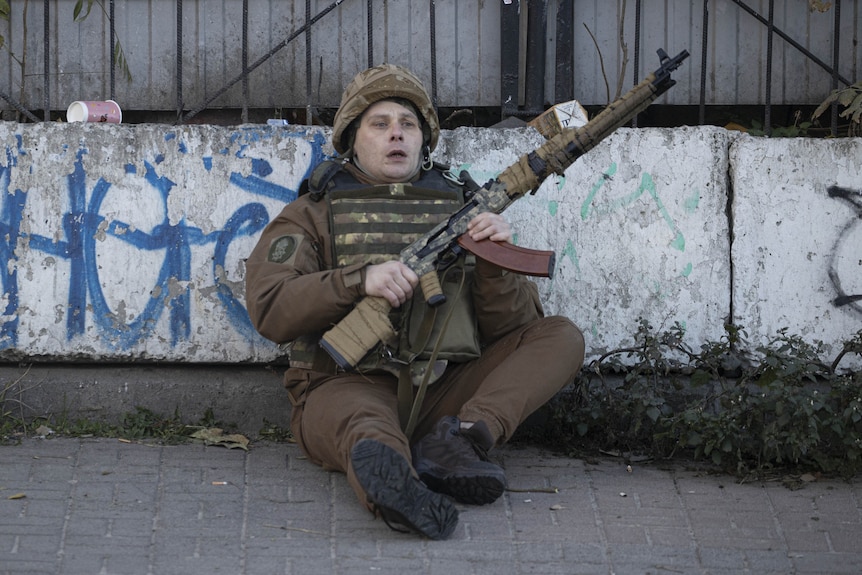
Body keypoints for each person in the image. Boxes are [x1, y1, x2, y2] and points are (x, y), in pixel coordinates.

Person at [244, 64, 585, 540]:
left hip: (447, 393)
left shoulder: (462, 209)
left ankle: (461, 442)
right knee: (368, 432)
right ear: (352, 139)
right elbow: (269, 306)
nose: (396, 135)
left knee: (560, 336)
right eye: (379, 124)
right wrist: (358, 280)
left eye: (407, 124)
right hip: (346, 385)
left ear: (424, 140)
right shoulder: (314, 213)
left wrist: (493, 261)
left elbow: (513, 332)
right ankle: (399, 489)